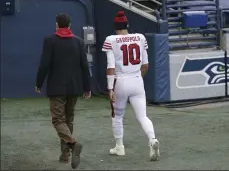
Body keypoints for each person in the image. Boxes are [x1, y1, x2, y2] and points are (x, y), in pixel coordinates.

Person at [102, 11, 160, 161]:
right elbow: (146, 65)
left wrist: (110, 88)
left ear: (115, 27)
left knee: (117, 116)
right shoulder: (140, 37)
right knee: (142, 116)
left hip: (121, 81)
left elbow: (110, 67)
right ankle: (152, 139)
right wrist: (137, 78)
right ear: (127, 25)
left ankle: (119, 147)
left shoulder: (111, 39)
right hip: (137, 79)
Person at [35, 13, 91, 169]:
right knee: (68, 120)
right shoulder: (79, 42)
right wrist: (87, 87)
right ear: (70, 25)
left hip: (56, 87)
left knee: (58, 120)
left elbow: (44, 64)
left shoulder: (50, 41)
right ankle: (65, 155)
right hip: (74, 87)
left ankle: (73, 144)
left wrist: (38, 83)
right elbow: (85, 66)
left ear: (56, 25)